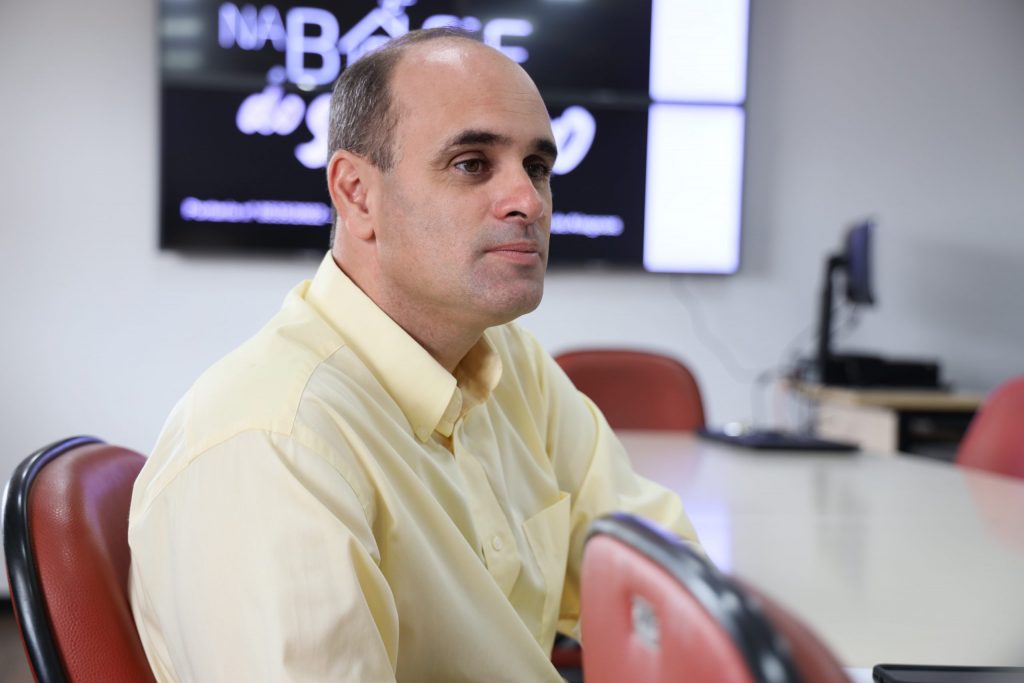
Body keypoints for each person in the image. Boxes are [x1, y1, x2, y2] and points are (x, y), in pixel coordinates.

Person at [128, 27, 699, 683]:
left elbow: (666, 579)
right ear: (356, 193)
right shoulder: (276, 445)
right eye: (472, 164)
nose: (528, 201)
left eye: (538, 168)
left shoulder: (512, 364)